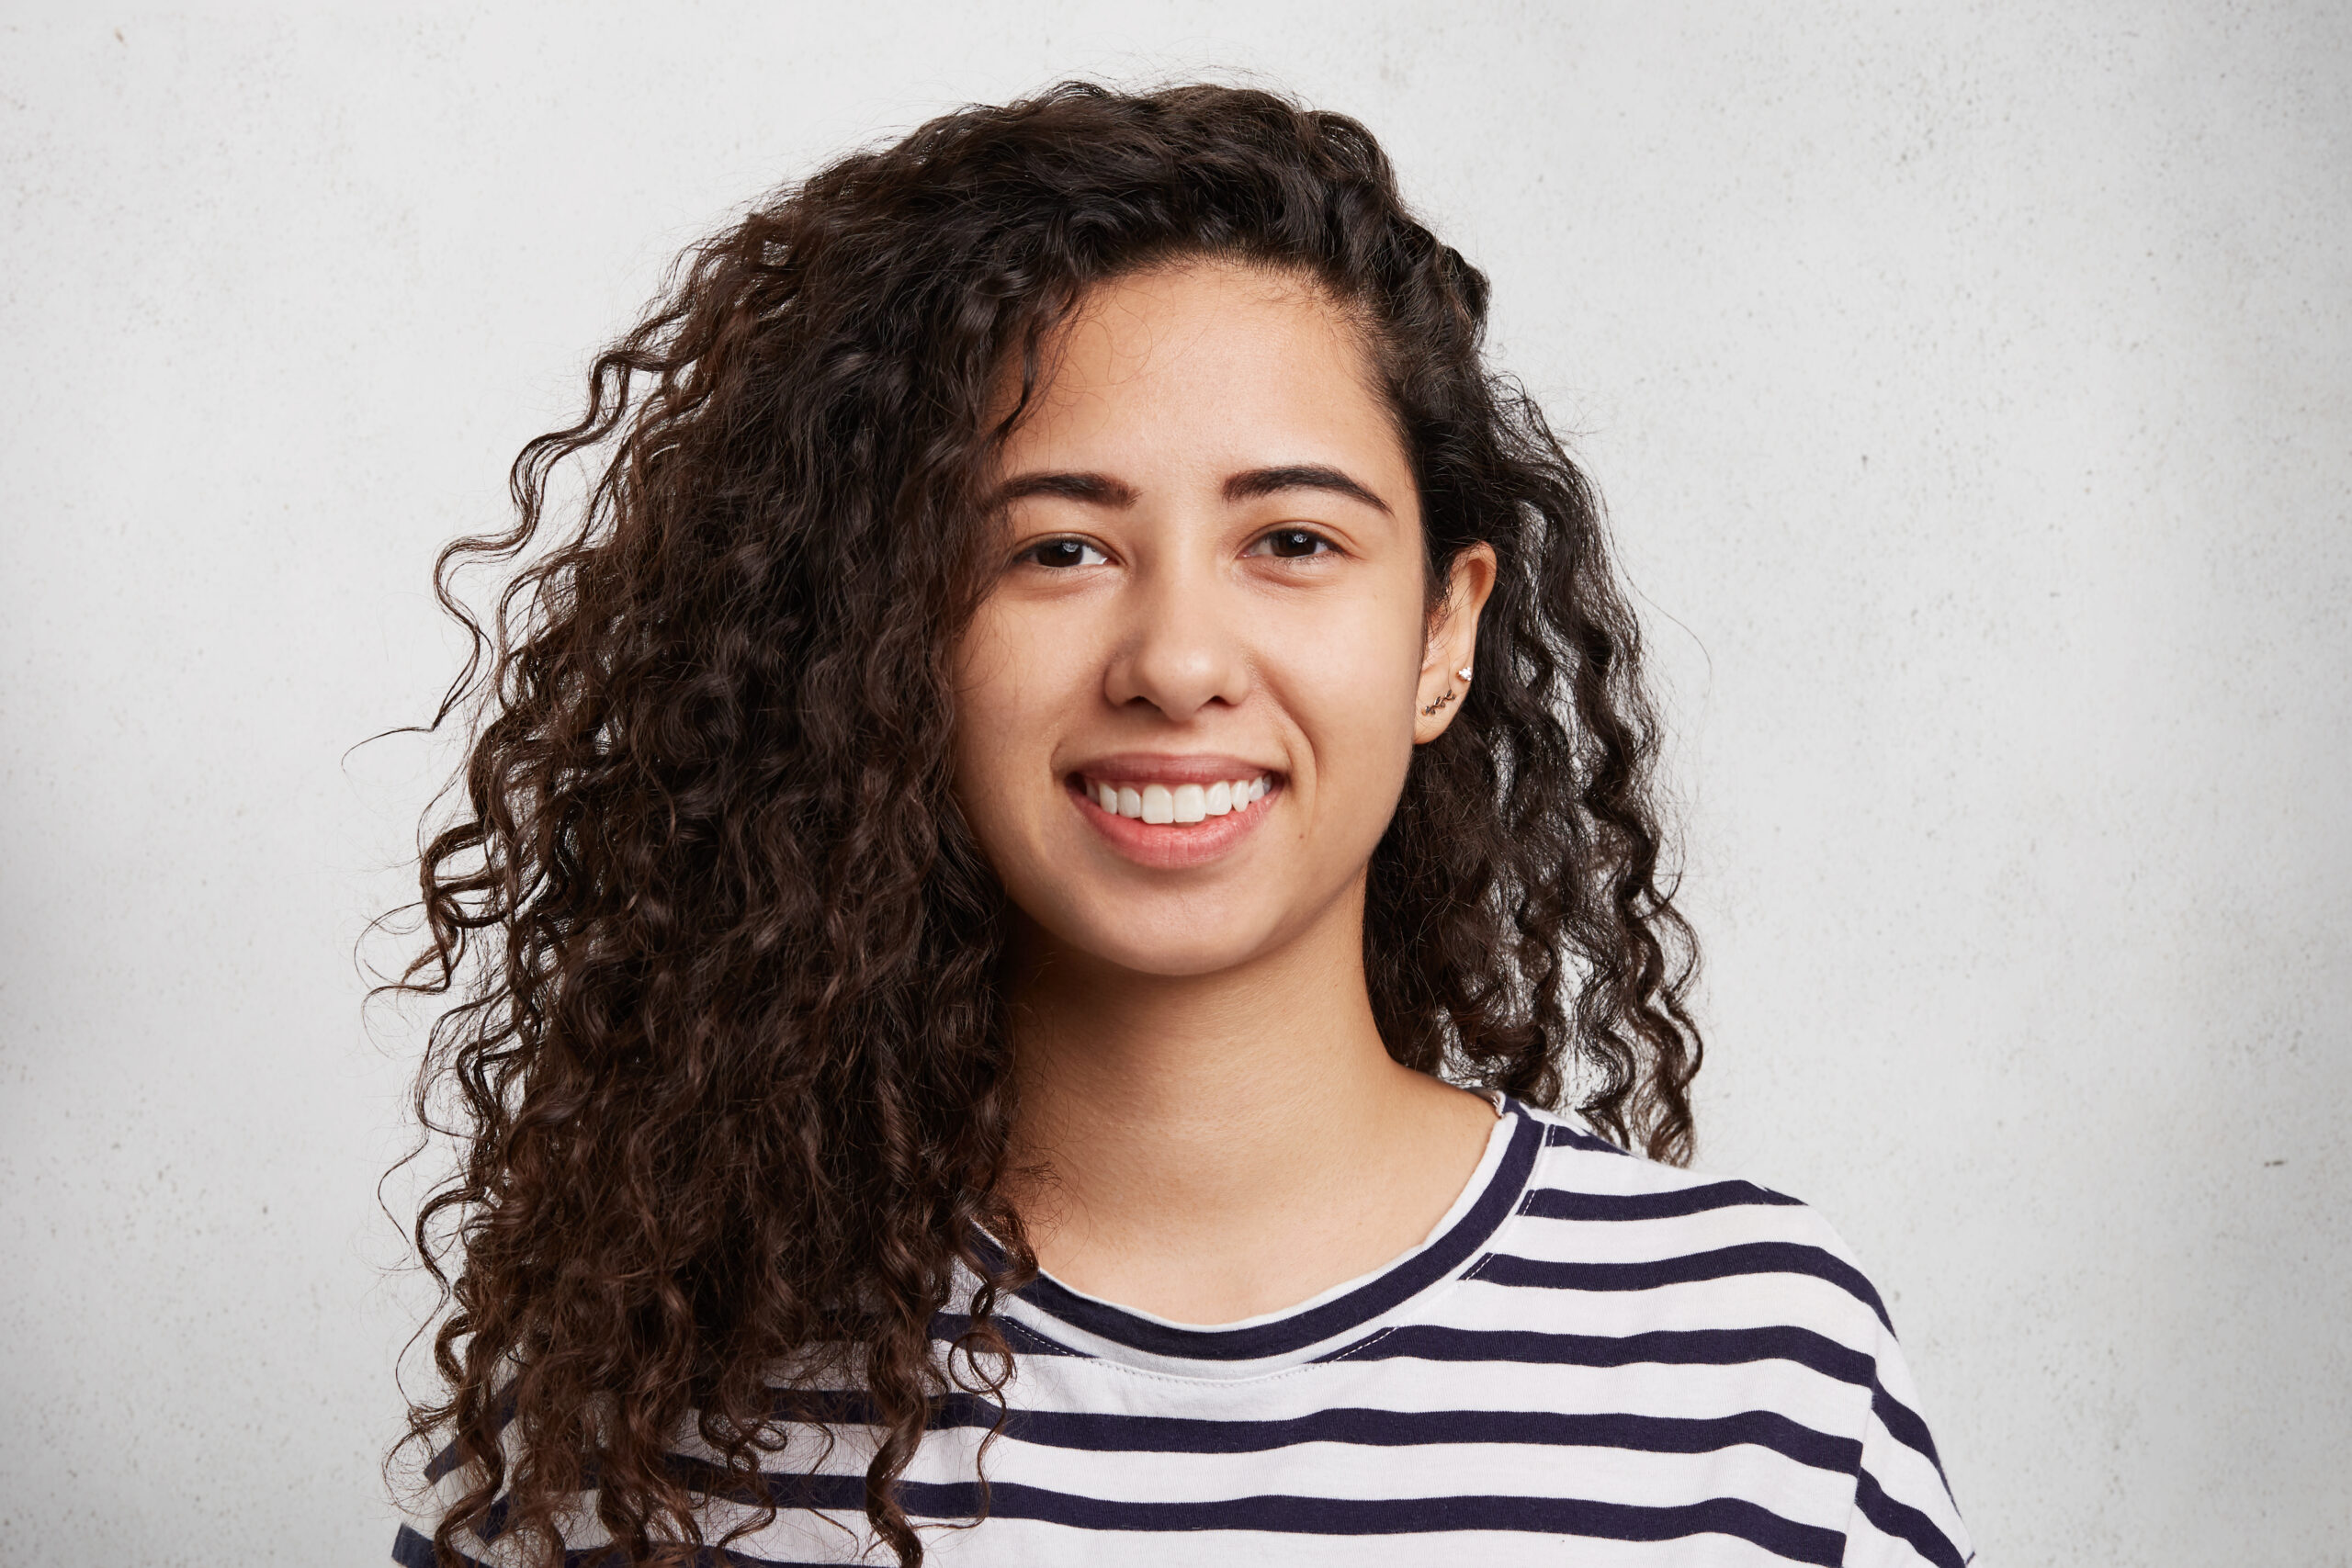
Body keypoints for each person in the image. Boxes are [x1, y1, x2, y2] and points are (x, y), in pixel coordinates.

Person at [389, 80, 1972, 1568]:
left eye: (1290, 538)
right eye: (1057, 550)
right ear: (892, 643)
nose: (1178, 663)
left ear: (1443, 634)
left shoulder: (1751, 1380)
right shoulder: (632, 1412)